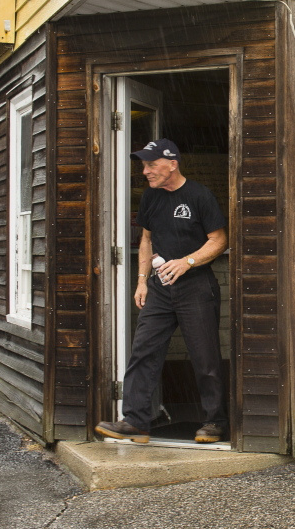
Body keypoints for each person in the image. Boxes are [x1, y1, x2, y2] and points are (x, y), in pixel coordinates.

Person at [95, 138, 229, 444]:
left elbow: (219, 239)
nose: (145, 171)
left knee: (204, 356)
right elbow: (146, 240)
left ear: (172, 164)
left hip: (195, 285)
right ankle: (136, 421)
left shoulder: (199, 196)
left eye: (151, 165)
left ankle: (214, 421)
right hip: (160, 287)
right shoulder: (151, 197)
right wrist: (142, 280)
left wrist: (187, 262)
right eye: (144, 165)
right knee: (143, 350)